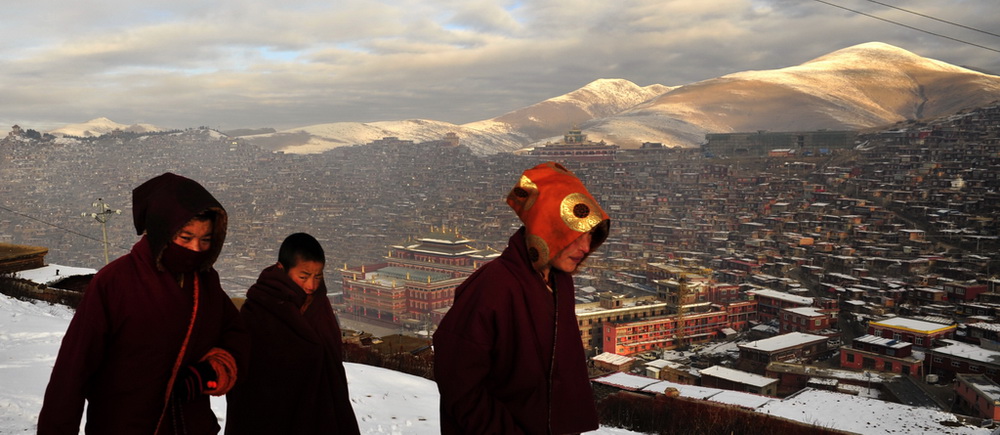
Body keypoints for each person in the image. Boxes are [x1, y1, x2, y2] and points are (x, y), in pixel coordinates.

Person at [38, 172, 249, 434]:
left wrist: (211, 370)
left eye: (205, 239)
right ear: (162, 232)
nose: (195, 249)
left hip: (188, 425)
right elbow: (73, 370)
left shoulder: (205, 282)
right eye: (185, 237)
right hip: (124, 425)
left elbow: (236, 335)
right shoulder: (115, 282)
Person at [433, 161, 611, 434]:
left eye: (591, 237)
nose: (586, 248)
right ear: (547, 230)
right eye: (575, 237)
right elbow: (458, 382)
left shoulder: (559, 283)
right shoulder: (493, 285)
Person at [225, 233, 360, 435]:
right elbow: (250, 379)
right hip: (272, 415)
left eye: (318, 276)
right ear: (282, 269)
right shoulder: (260, 307)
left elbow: (332, 366)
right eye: (304, 276)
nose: (311, 286)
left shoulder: (319, 304)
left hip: (320, 412)